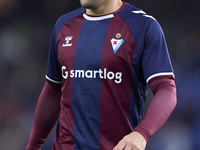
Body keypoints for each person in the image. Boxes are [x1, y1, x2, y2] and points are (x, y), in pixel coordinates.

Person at [26, 0, 177, 150]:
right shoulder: (64, 25)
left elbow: (166, 88)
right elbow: (53, 89)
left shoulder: (143, 26)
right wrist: (33, 146)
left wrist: (142, 133)